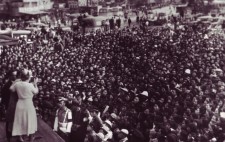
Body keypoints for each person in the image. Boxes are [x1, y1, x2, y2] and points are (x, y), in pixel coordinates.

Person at [10, 69, 38, 142]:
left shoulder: (17, 84)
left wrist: (16, 81)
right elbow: (36, 92)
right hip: (28, 104)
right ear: (28, 78)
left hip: (20, 104)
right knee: (30, 120)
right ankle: (31, 138)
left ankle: (20, 138)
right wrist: (35, 84)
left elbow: (11, 89)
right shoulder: (30, 85)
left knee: (20, 120)